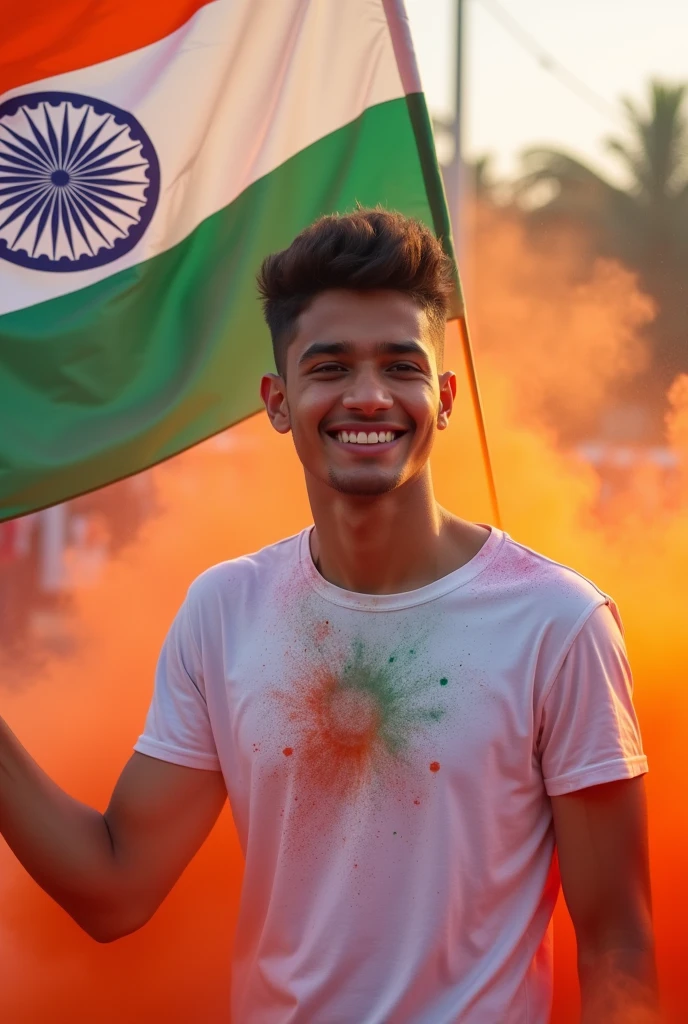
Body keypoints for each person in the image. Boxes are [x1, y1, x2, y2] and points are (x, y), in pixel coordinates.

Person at [0, 209, 658, 1023]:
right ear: (279, 401)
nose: (370, 395)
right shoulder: (225, 609)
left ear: (444, 397)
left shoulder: (560, 623)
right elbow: (114, 889)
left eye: (401, 365)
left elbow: (618, 945)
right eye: (331, 367)